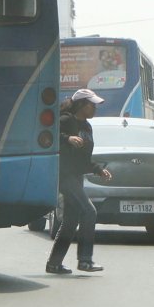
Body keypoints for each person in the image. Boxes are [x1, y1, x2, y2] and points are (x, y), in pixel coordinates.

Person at [46, 88, 112, 274]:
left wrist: (98, 170)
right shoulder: (66, 120)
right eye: (92, 104)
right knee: (89, 211)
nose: (95, 108)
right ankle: (85, 260)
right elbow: (48, 137)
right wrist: (67, 138)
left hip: (76, 177)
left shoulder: (87, 127)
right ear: (82, 104)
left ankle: (54, 263)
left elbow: (83, 160)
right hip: (64, 176)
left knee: (70, 221)